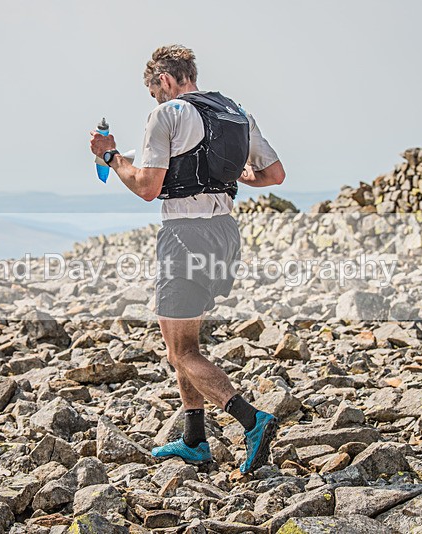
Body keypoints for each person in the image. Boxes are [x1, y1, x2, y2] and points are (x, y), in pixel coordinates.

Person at [89, 44, 286, 475]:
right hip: (225, 235)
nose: (157, 100)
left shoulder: (168, 114)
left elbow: (146, 187)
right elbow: (273, 175)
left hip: (184, 236)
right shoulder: (235, 113)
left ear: (163, 80)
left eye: (155, 92)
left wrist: (110, 156)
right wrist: (232, 175)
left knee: (181, 353)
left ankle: (252, 421)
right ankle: (195, 439)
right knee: (181, 341)